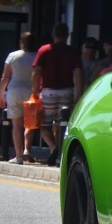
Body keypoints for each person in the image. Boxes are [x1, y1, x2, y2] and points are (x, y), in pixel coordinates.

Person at [32, 22, 83, 165]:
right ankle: (60, 151)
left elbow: (36, 72)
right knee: (62, 123)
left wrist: (35, 90)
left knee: (44, 124)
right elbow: (78, 72)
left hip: (48, 92)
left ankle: (54, 147)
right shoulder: (73, 52)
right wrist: (78, 92)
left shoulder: (44, 50)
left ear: (53, 34)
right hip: (67, 91)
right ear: (67, 35)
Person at [0, 32, 39, 165]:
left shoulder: (13, 56)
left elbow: (5, 77)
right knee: (30, 123)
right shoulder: (37, 56)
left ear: (21, 42)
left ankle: (18, 156)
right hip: (31, 91)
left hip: (14, 91)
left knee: (16, 124)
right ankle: (27, 149)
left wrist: (0, 94)